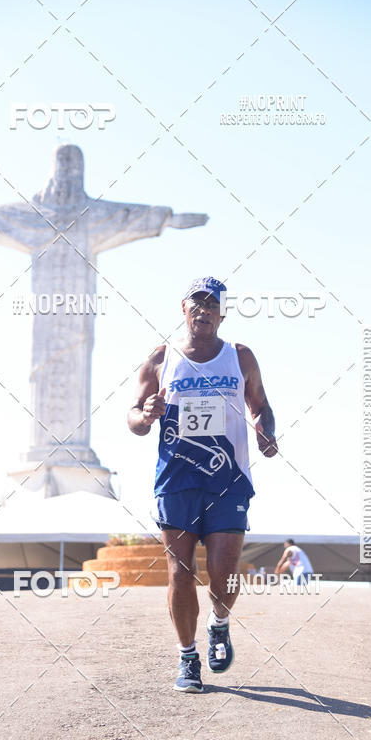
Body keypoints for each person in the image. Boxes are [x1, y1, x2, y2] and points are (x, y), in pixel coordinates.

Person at [127, 276, 278, 692]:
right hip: (176, 478)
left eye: (212, 304)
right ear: (184, 308)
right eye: (197, 303)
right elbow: (134, 418)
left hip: (229, 478)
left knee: (224, 571)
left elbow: (261, 406)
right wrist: (147, 414)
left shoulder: (239, 356)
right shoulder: (162, 357)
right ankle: (188, 657)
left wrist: (265, 432)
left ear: (222, 313)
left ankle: (219, 623)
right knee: (180, 572)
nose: (204, 310)